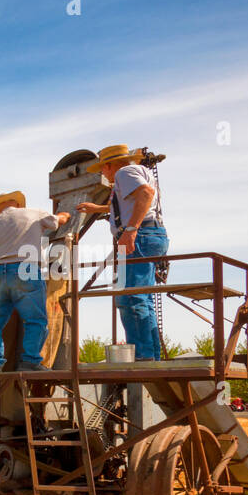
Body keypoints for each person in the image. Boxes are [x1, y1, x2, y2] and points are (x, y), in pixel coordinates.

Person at [76, 145, 168, 360]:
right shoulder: (134, 172)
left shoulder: (123, 173)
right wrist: (97, 209)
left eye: (102, 169)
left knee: (130, 299)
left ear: (108, 165)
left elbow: (146, 193)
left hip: (141, 235)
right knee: (142, 298)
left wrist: (131, 229)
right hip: (150, 234)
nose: (103, 174)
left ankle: (143, 356)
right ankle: (149, 355)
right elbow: (129, 202)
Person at [0, 191, 71, 372]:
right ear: (18, 204)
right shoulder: (33, 213)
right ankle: (30, 361)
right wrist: (65, 214)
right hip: (26, 268)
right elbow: (57, 222)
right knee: (35, 319)